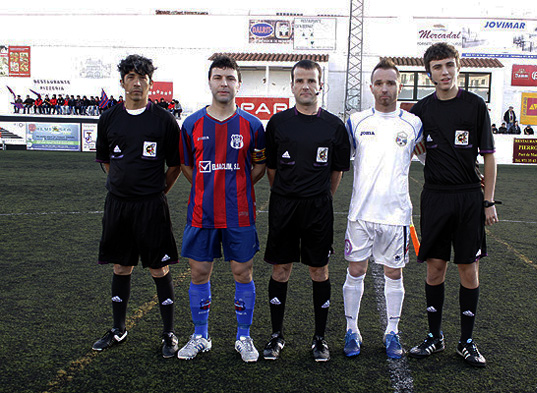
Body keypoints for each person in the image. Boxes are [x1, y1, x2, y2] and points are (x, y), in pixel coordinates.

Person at [408, 42, 498, 368]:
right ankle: (435, 336)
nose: (444, 72)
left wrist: (488, 201)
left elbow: (489, 156)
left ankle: (467, 341)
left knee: (468, 269)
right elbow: (408, 148)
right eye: (437, 67)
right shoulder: (420, 110)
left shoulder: (475, 105)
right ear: (428, 72)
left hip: (468, 197)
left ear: (458, 67)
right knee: (435, 268)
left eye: (449, 65)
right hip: (434, 196)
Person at [176, 55, 266, 363]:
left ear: (238, 83)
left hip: (239, 213)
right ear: (210, 81)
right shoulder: (191, 124)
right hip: (201, 213)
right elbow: (188, 166)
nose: (224, 83)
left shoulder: (252, 125)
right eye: (218, 77)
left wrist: (235, 184)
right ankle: (201, 335)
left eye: (230, 78)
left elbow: (258, 168)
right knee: (199, 272)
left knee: (243, 272)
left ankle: (244, 337)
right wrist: (208, 184)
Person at [92, 54, 182, 359]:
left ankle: (169, 333)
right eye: (130, 76)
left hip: (151, 207)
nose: (136, 82)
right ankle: (118, 329)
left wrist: (157, 191)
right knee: (121, 266)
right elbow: (105, 160)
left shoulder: (164, 120)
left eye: (142, 77)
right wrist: (121, 184)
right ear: (122, 82)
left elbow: (175, 165)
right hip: (118, 206)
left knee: (159, 267)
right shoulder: (109, 118)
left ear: (150, 83)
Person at [262, 59, 350, 362]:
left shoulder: (334, 127)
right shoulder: (277, 124)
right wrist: (288, 194)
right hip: (283, 206)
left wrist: (320, 197)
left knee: (319, 269)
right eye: (300, 81)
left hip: (318, 209)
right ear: (292, 86)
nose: (306, 86)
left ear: (320, 85)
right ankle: (276, 336)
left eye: (311, 81)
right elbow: (271, 169)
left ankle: (320, 338)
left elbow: (336, 172)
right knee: (281, 268)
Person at [342, 58, 424, 359]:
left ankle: (392, 331)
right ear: (371, 86)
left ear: (399, 86)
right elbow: (341, 161)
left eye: (390, 83)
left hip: (396, 215)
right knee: (355, 270)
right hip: (361, 214)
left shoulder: (413, 124)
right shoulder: (357, 121)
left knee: (394, 273)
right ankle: (352, 329)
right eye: (379, 83)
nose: (384, 89)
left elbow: (432, 159)